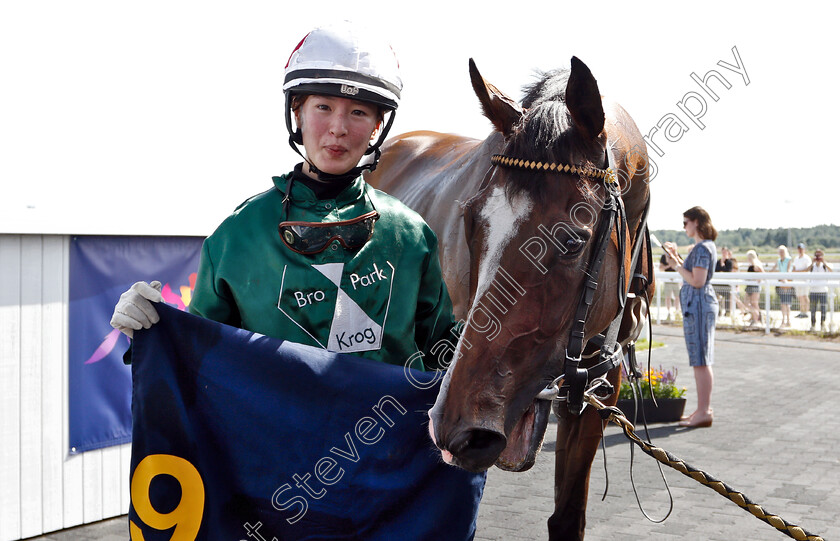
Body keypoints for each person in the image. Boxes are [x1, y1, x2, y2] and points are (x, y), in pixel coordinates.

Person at [111, 23, 459, 373]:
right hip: (270, 430)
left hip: (386, 427)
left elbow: (444, 355)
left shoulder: (411, 236)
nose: (338, 128)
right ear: (297, 112)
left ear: (376, 126)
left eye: (358, 112)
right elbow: (198, 361)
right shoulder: (238, 235)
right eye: (323, 107)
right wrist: (150, 331)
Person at [663, 206, 718, 428]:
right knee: (700, 359)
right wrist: (677, 258)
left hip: (698, 306)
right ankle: (702, 409)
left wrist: (676, 265)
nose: (684, 226)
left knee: (701, 361)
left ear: (697, 222)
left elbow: (697, 280)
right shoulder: (704, 247)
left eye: (686, 222)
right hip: (698, 306)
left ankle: (704, 411)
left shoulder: (702, 248)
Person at [806, 249, 833, 331]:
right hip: (813, 290)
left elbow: (831, 271)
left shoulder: (825, 265)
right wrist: (812, 263)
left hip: (823, 290)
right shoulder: (812, 266)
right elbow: (806, 270)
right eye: (816, 256)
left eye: (819, 255)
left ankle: (823, 324)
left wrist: (824, 262)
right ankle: (813, 325)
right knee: (813, 309)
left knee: (823, 308)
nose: (818, 257)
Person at [770, 245, 793, 327]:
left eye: (782, 252)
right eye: (780, 252)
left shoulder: (788, 259)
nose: (781, 253)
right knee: (783, 303)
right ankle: (783, 320)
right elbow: (773, 269)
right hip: (781, 283)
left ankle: (788, 320)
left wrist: (785, 279)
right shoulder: (778, 260)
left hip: (787, 283)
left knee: (787, 303)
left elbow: (788, 270)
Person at [713, 246, 738, 317]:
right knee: (716, 296)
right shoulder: (718, 261)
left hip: (726, 284)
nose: (724, 253)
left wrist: (722, 266)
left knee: (728, 297)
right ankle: (719, 311)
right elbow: (716, 270)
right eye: (722, 252)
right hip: (718, 283)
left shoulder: (729, 262)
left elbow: (728, 271)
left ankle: (727, 313)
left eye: (725, 252)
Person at [743, 249, 765, 326]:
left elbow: (763, 274)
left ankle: (756, 319)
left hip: (755, 286)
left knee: (754, 303)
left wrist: (759, 279)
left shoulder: (757, 265)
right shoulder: (751, 265)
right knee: (746, 302)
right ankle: (756, 315)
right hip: (749, 285)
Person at [791, 242, 812, 318]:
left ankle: (806, 311)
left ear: (804, 249)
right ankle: (801, 311)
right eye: (799, 249)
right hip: (797, 280)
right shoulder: (796, 258)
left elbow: (807, 269)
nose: (800, 250)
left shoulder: (807, 258)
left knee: (804, 296)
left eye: (801, 249)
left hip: (804, 280)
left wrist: (797, 272)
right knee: (800, 297)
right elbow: (793, 268)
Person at [659, 252, 681, 320]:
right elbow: (660, 267)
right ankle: (669, 313)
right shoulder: (663, 256)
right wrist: (669, 266)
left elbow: (681, 265)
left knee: (677, 297)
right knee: (668, 297)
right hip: (667, 279)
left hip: (676, 279)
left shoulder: (677, 255)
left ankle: (677, 312)